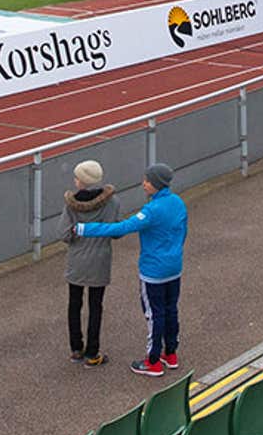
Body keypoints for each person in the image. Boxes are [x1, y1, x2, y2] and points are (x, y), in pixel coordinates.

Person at [74, 161, 189, 378]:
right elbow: (183, 232)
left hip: (154, 272)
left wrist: (84, 228)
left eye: (147, 181)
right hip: (175, 267)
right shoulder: (178, 203)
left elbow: (122, 228)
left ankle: (153, 361)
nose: (143, 184)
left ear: (156, 184)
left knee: (154, 314)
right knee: (171, 309)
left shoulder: (151, 210)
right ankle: (170, 353)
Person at [63, 159, 122, 367]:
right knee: (95, 306)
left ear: (82, 181)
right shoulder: (112, 202)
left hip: (76, 261)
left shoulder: (71, 205)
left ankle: (76, 349)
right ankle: (92, 352)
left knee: (74, 304)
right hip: (99, 259)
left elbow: (64, 234)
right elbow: (116, 232)